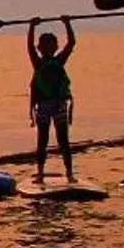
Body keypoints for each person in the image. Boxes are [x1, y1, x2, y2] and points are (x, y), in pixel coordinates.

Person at [26, 18, 79, 184]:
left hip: (59, 105)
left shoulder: (59, 60)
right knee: (42, 140)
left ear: (55, 47)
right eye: (45, 46)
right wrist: (31, 27)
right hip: (43, 106)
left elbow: (71, 43)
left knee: (63, 140)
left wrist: (67, 23)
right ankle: (40, 174)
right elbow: (29, 48)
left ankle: (69, 174)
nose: (48, 48)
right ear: (40, 49)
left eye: (51, 45)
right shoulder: (37, 62)